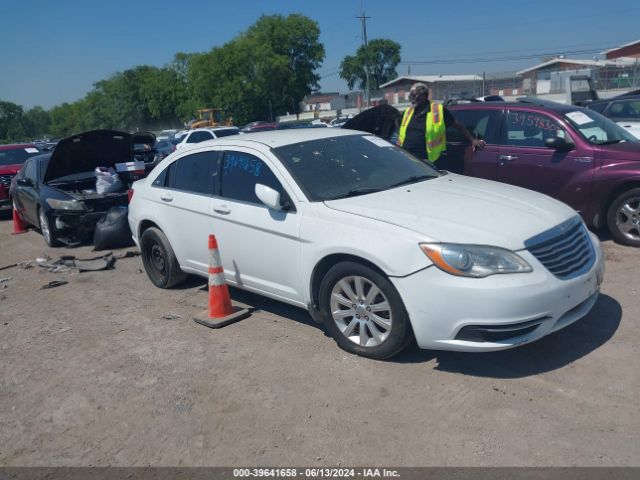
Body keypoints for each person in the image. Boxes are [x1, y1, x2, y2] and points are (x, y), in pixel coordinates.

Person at [397, 83, 486, 169]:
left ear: (424, 96)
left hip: (427, 161)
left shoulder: (438, 110)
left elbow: (458, 126)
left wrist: (472, 140)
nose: (412, 98)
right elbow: (400, 129)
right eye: (411, 96)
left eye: (415, 95)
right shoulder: (408, 111)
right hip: (407, 159)